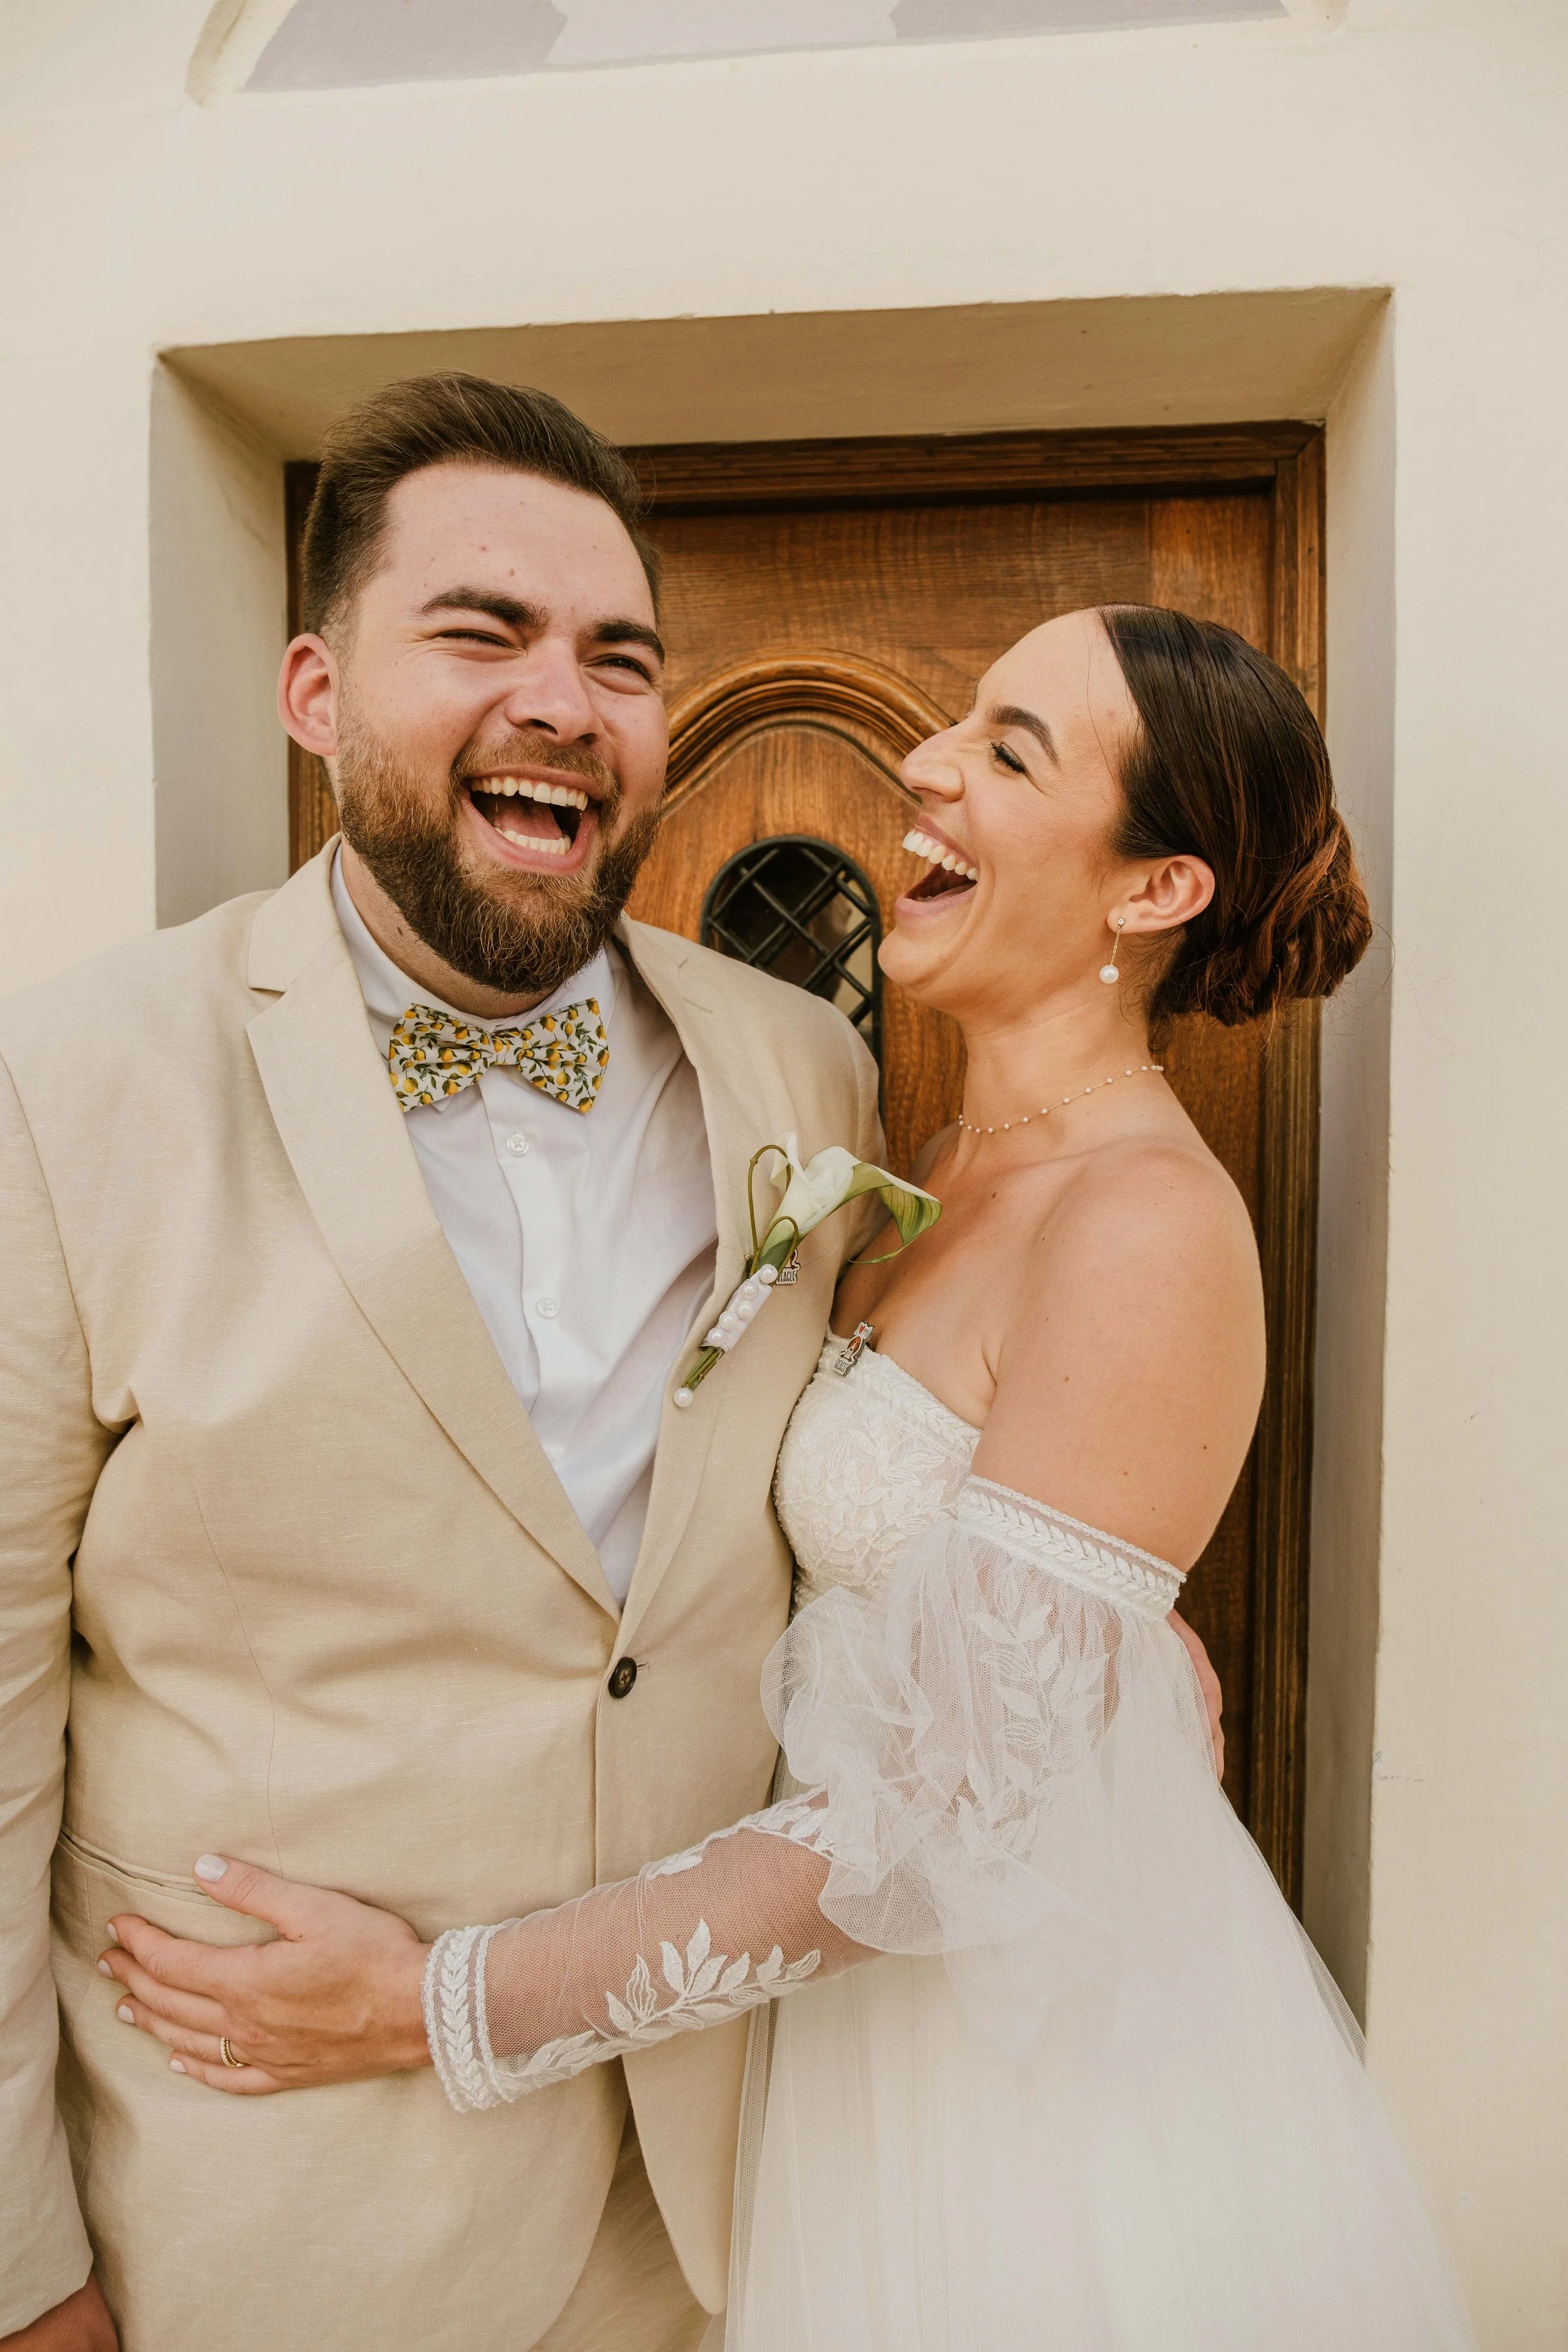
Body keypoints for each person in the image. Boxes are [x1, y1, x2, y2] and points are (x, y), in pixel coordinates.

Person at [98, 603, 1478, 2348]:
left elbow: (960, 1812)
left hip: (1009, 2066)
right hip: (818, 2029)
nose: (925, 763)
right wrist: (1094, 1649)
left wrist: (452, 2002)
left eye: (1009, 751)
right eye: (958, 720)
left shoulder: (1147, 1221)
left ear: (1154, 890)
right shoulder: (913, 1154)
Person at [0, 373, 908, 2352]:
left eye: (617, 657)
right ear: (316, 691)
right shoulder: (67, 1087)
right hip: (258, 2210)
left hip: (711, 2185)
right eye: (481, 633)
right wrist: (13, 2264)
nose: (561, 701)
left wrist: (1085, 1628)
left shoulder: (801, 1068)